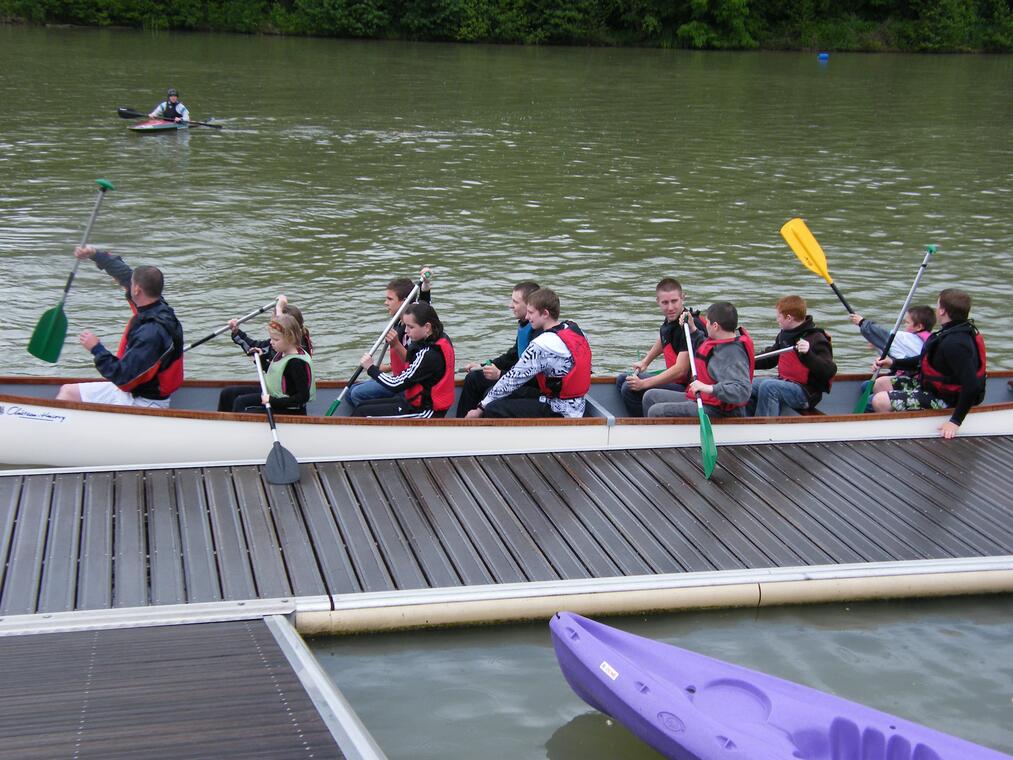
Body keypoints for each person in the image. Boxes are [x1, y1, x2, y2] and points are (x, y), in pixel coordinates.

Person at [56, 245, 184, 408]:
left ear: (137, 289)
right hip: (131, 392)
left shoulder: (151, 333)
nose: (127, 284)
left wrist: (96, 348)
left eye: (131, 284)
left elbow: (123, 378)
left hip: (144, 402)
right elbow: (124, 274)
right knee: (68, 392)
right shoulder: (156, 305)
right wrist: (94, 254)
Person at [869, 288, 986, 439]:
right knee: (880, 383)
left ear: (943, 311)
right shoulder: (948, 332)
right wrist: (893, 363)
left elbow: (972, 386)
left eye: (938, 306)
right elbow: (923, 361)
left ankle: (892, 436)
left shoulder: (956, 343)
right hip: (933, 388)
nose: (936, 309)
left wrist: (955, 422)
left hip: (947, 399)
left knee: (880, 401)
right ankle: (899, 421)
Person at [465, 288, 591, 419]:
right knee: (491, 394)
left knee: (492, 408)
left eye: (531, 312)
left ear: (545, 313)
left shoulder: (543, 344)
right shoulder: (574, 329)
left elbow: (512, 380)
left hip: (559, 409)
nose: (527, 317)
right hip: (577, 405)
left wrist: (480, 408)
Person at [642, 302, 754, 418]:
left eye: (708, 322)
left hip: (720, 410)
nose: (706, 325)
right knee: (650, 397)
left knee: (656, 411)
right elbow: (705, 348)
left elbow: (742, 391)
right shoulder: (720, 343)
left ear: (715, 326)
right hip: (705, 399)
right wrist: (692, 329)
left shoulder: (733, 354)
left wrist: (708, 388)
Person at [345, 267, 432, 410]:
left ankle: (378, 416)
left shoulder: (415, 327)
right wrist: (386, 368)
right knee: (350, 392)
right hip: (397, 376)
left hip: (407, 384)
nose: (386, 303)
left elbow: (415, 362)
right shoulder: (398, 320)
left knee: (357, 394)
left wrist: (396, 344)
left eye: (390, 299)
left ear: (405, 301)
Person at [615, 278, 704, 416]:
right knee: (622, 379)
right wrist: (645, 361)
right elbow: (664, 338)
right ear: (658, 302)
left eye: (674, 301)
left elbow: (680, 370)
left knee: (629, 388)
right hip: (679, 381)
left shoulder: (688, 326)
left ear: (683, 298)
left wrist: (644, 384)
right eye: (665, 302)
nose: (670, 307)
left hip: (690, 387)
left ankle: (642, 426)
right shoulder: (671, 320)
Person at [353, 302, 455, 418]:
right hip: (414, 403)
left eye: (411, 327)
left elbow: (395, 384)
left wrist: (371, 368)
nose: (406, 331)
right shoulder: (438, 337)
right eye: (405, 325)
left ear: (427, 327)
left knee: (362, 413)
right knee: (361, 406)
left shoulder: (429, 354)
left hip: (426, 412)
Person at [455, 280, 541, 416]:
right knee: (474, 378)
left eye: (515, 302)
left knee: (489, 392)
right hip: (518, 378)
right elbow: (511, 356)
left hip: (534, 386)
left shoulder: (539, 335)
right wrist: (482, 366)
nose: (510, 306)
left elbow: (535, 377)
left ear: (531, 305)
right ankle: (463, 422)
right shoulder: (525, 326)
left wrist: (500, 374)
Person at [748, 295, 837, 417]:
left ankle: (765, 428)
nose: (777, 320)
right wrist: (745, 361)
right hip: (786, 382)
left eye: (779, 316)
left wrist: (808, 354)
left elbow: (829, 370)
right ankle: (745, 420)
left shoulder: (816, 338)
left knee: (769, 387)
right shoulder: (785, 335)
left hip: (807, 394)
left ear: (788, 318)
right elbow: (770, 359)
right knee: (749, 384)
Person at [217, 314, 315, 415]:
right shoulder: (282, 351)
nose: (271, 343)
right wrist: (261, 360)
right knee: (227, 394)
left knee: (241, 402)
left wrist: (272, 400)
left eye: (276, 340)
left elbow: (303, 397)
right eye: (271, 338)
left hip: (288, 409)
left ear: (290, 338)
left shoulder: (296, 363)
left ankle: (235, 428)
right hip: (274, 395)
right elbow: (279, 376)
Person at [229, 294, 313, 359]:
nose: (272, 324)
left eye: (274, 321)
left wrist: (279, 307)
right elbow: (254, 346)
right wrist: (236, 332)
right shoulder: (285, 341)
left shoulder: (293, 349)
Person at [849, 305, 935, 361]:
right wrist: (876, 345)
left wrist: (862, 322)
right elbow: (894, 353)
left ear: (919, 327)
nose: (904, 325)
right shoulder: (928, 340)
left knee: (866, 385)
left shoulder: (911, 339)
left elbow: (884, 334)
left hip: (913, 380)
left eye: (907, 322)